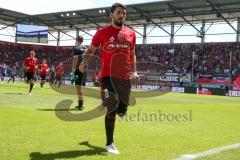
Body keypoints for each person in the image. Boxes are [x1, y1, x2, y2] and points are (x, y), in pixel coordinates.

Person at [79, 3, 139, 154]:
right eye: (119, 12)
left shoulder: (131, 34)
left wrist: (135, 71)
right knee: (113, 106)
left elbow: (132, 54)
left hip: (124, 77)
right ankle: (110, 143)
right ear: (111, 14)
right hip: (107, 76)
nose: (121, 15)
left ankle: (119, 107)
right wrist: (83, 62)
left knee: (123, 108)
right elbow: (91, 49)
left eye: (123, 13)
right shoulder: (102, 32)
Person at [71, 35, 87, 110]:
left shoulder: (76, 48)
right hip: (83, 68)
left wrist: (73, 69)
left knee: (78, 88)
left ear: (76, 40)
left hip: (77, 69)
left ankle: (80, 106)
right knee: (79, 87)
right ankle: (81, 104)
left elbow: (75, 59)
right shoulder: (85, 48)